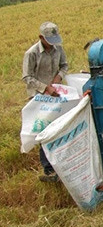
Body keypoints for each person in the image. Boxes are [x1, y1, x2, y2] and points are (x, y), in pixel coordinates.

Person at [22, 21, 68, 182]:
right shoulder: (32, 53)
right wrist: (45, 87)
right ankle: (48, 169)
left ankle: (61, 163)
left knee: (59, 128)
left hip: (56, 95)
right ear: (41, 37)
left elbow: (64, 66)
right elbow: (27, 77)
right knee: (44, 131)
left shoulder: (59, 49)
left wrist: (57, 78)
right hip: (39, 98)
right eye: (50, 39)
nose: (53, 43)